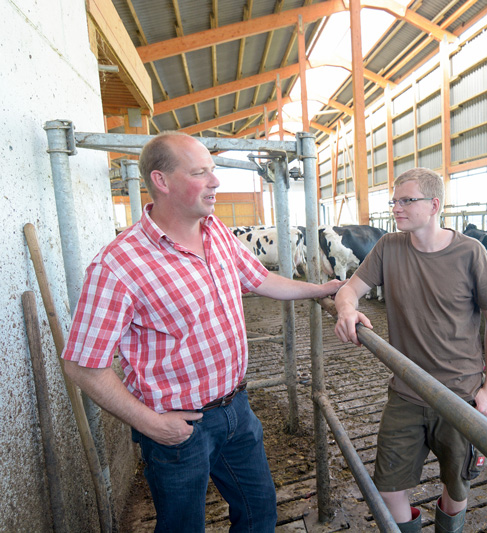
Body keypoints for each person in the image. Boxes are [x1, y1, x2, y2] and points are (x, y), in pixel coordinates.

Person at [62, 131, 343, 532]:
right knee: (182, 526)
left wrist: (321, 290)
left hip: (238, 409)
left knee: (260, 512)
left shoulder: (216, 233)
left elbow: (260, 279)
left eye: (213, 170)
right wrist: (151, 424)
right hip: (179, 428)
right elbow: (81, 364)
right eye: (200, 172)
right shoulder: (119, 264)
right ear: (162, 181)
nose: (215, 181)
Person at [333, 168, 487, 533]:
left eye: (406, 200)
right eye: (394, 200)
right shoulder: (388, 248)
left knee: (457, 485)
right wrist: (347, 309)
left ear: (434, 205)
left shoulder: (470, 252)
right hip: (407, 392)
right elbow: (348, 290)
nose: (396, 208)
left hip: (460, 394)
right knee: (389, 487)